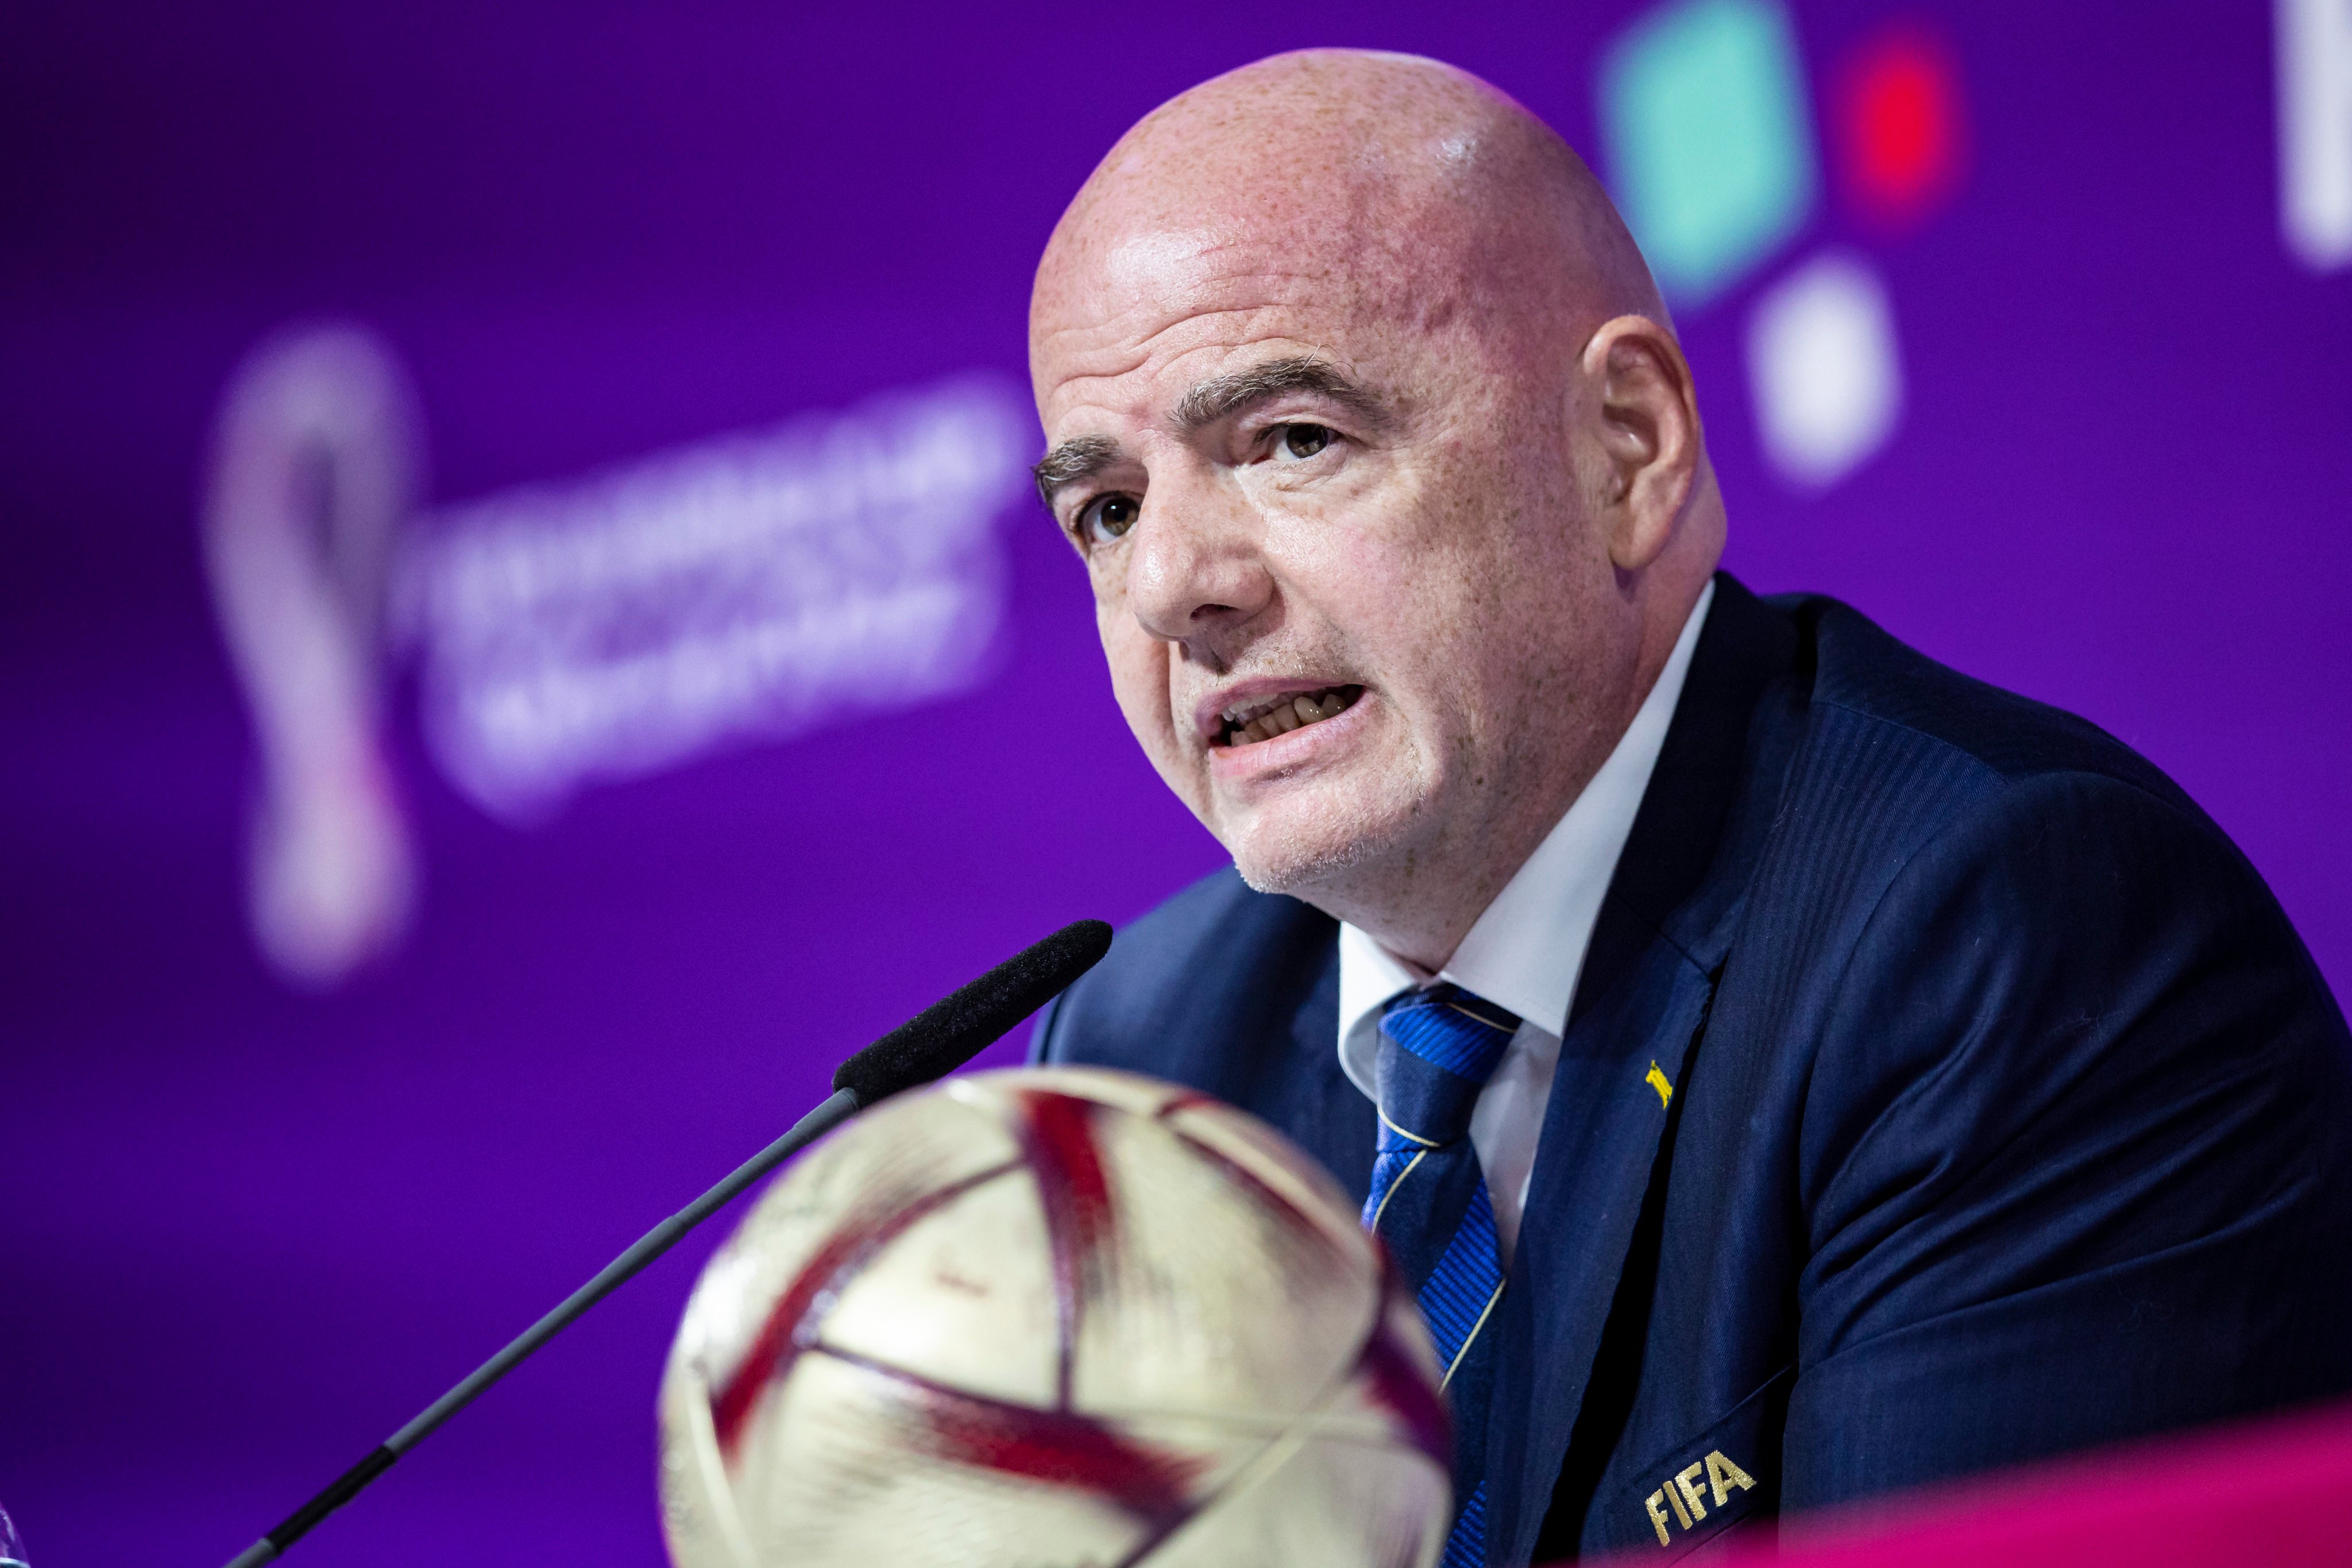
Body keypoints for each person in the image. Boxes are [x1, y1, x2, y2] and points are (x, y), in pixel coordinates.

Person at [1023, 48, 2352, 1566]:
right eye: (1109, 510)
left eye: (1291, 442)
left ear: (1628, 448)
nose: (1175, 586)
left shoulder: (2007, 941)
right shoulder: (1142, 1055)